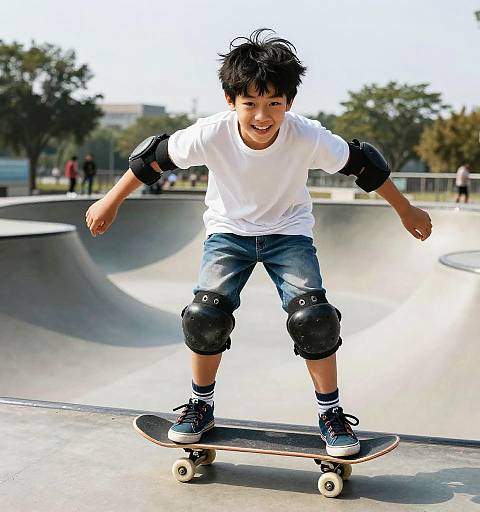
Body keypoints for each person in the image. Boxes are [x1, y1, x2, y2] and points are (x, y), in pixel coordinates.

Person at [85, 29, 432, 457]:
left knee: (314, 318)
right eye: (250, 104)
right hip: (228, 232)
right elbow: (150, 158)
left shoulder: (308, 136)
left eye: (274, 104)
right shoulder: (209, 133)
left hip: (288, 233)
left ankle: (331, 412)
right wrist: (110, 200)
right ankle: (200, 404)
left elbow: (364, 166)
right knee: (204, 315)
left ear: (289, 103)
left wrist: (405, 209)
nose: (262, 116)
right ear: (231, 101)